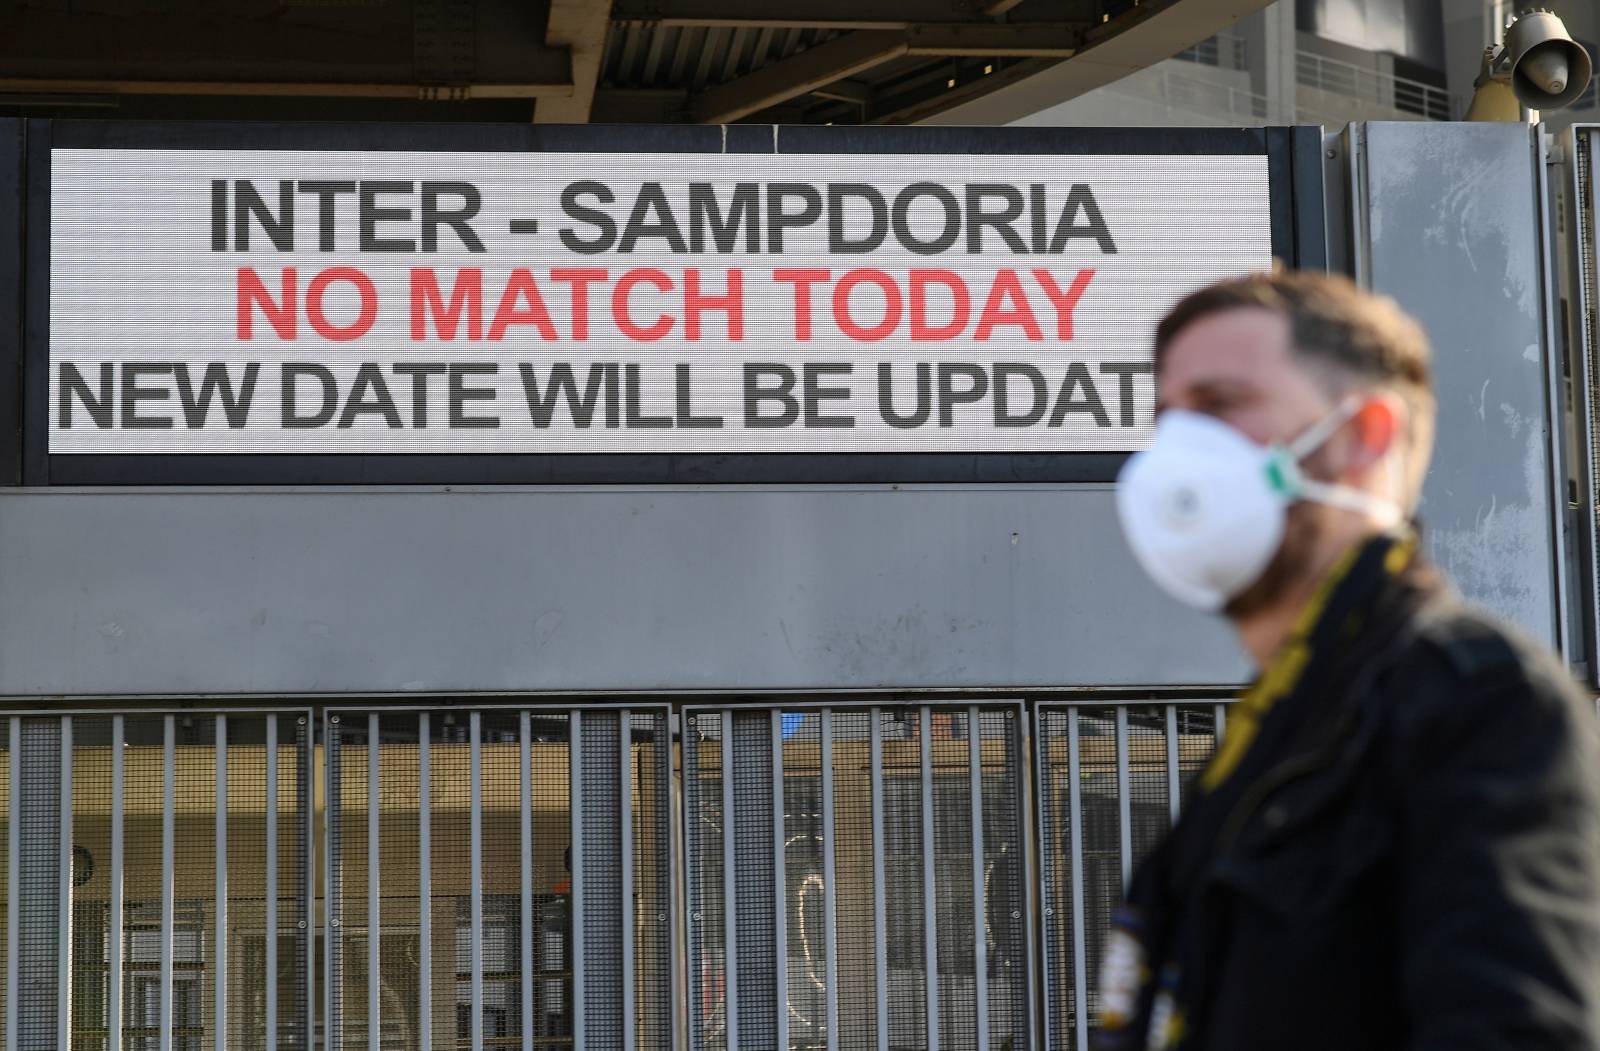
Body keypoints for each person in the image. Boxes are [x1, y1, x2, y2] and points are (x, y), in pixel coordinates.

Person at [1100, 270, 1600, 1050]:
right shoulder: (1270, 735)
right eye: (1167, 417)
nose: (1178, 454)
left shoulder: (1481, 701)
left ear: (1366, 432)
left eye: (1221, 406)